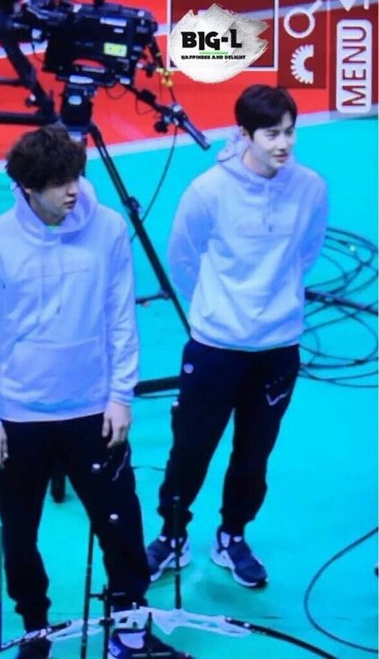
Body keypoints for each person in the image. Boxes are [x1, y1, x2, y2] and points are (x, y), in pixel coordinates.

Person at [0, 125, 194, 659]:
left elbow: (120, 315)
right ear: (28, 188)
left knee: (122, 527)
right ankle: (35, 628)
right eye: (59, 183)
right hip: (19, 417)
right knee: (20, 535)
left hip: (92, 410)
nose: (73, 191)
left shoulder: (108, 228)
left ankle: (129, 631)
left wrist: (121, 395)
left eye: (76, 178)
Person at [146, 85, 328, 589]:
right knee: (191, 448)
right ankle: (172, 536)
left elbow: (307, 252)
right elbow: (183, 259)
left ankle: (231, 536)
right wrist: (218, 311)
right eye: (271, 134)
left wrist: (276, 302)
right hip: (216, 346)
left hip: (278, 346)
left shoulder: (311, 187)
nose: (283, 143)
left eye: (289, 131)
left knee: (254, 453)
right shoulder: (208, 191)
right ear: (244, 134)